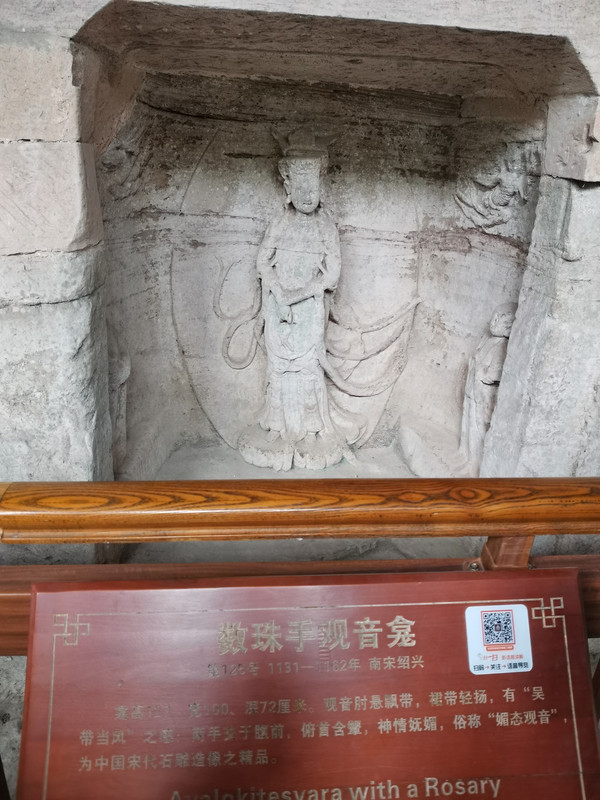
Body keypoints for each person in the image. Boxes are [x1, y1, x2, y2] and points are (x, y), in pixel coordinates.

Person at [238, 130, 348, 470]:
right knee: (279, 366)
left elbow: (332, 273)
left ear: (321, 185)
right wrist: (277, 290)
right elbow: (262, 262)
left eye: (312, 187)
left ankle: (311, 429)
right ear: (288, 188)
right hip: (278, 307)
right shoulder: (280, 222)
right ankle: (276, 425)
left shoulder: (326, 226)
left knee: (307, 367)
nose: (307, 195)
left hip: (309, 306)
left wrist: (300, 293)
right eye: (300, 188)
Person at [458, 303, 517, 476]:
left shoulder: (503, 345)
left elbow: (495, 373)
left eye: (500, 319)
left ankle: (475, 463)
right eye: (495, 317)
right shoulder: (488, 340)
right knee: (469, 424)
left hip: (484, 395)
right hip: (473, 390)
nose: (494, 322)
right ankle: (465, 455)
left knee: (478, 428)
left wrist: (483, 372)